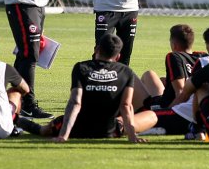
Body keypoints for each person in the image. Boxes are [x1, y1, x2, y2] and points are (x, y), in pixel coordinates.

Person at [17, 34, 145, 143]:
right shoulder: (126, 72)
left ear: (97, 50)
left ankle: (16, 120)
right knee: (151, 116)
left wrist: (63, 136)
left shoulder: (81, 68)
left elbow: (75, 102)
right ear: (118, 56)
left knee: (44, 130)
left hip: (77, 129)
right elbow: (126, 105)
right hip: (109, 131)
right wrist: (132, 136)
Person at [136, 24, 203, 110]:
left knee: (145, 76)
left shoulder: (174, 56)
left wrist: (165, 112)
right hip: (198, 104)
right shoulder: (202, 56)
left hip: (170, 106)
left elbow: (180, 93)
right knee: (160, 79)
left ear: (174, 45)